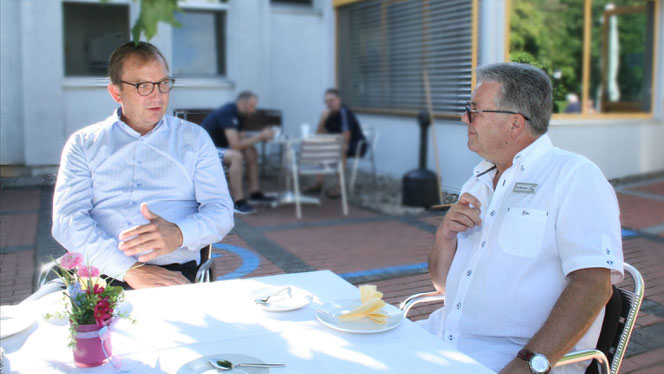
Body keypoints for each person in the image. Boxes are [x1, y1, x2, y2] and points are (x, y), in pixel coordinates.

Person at [420, 62, 623, 374]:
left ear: (514, 124)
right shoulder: (478, 180)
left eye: (474, 110)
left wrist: (527, 365)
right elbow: (444, 286)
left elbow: (594, 286)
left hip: (512, 359)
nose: (465, 118)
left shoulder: (574, 176)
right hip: (444, 340)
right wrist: (444, 237)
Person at [52, 41, 234, 289]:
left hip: (173, 275)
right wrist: (130, 270)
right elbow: (68, 221)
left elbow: (221, 211)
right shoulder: (84, 144)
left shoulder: (194, 139)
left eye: (163, 84)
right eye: (143, 86)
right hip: (99, 275)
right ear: (116, 93)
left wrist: (180, 233)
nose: (157, 96)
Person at [200, 91, 275, 213]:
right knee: (236, 156)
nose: (253, 110)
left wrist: (258, 138)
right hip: (205, 150)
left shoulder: (239, 115)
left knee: (251, 152)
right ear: (242, 103)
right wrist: (261, 136)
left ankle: (255, 192)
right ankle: (238, 202)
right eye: (252, 106)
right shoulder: (228, 113)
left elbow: (242, 140)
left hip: (220, 148)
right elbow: (235, 144)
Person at [308, 88, 367, 197]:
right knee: (319, 147)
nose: (328, 104)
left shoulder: (344, 113)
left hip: (357, 145)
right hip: (340, 143)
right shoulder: (328, 115)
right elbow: (318, 136)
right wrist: (322, 120)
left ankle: (340, 187)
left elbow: (346, 138)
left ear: (339, 100)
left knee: (340, 149)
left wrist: (331, 145)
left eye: (331, 100)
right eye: (326, 101)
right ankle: (319, 183)